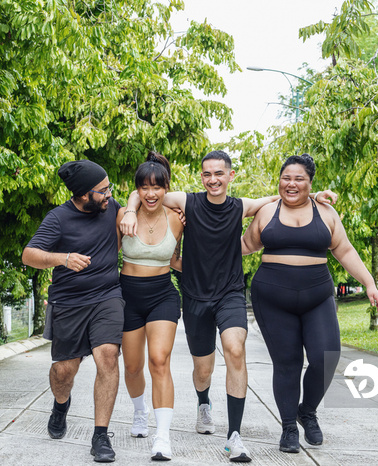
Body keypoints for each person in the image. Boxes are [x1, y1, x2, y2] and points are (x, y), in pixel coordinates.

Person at [121, 150, 336, 463]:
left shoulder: (240, 207)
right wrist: (129, 210)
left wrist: (312, 193)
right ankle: (203, 403)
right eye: (207, 174)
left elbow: (280, 197)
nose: (213, 180)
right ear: (201, 177)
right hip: (195, 296)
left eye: (219, 173)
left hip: (230, 293)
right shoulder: (186, 201)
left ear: (230, 176)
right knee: (203, 369)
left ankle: (234, 436)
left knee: (235, 349)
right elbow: (145, 191)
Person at [241, 154, 378, 454]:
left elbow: (344, 249)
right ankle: (289, 427)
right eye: (286, 178)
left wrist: (369, 283)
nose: (291, 184)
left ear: (310, 183)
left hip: (317, 296)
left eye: (298, 179)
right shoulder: (266, 212)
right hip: (272, 298)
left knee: (327, 357)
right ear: (279, 180)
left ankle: (308, 411)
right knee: (288, 364)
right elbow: (243, 246)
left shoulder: (326, 213)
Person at [22, 159, 123, 463]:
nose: (109, 195)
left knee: (108, 355)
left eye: (109, 188)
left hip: (107, 296)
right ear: (82, 195)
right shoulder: (58, 218)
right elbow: (29, 255)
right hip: (68, 303)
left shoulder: (112, 207)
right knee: (64, 371)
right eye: (103, 190)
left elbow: (135, 203)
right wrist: (62, 259)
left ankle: (100, 435)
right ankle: (60, 404)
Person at [116, 151, 183, 461]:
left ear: (166, 188)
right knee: (132, 367)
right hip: (128, 295)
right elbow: (107, 254)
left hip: (162, 294)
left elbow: (178, 259)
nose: (151, 193)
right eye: (144, 187)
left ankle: (163, 437)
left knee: (159, 360)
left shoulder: (177, 218)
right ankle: (140, 411)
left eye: (157, 187)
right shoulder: (123, 216)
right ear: (138, 190)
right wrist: (129, 208)